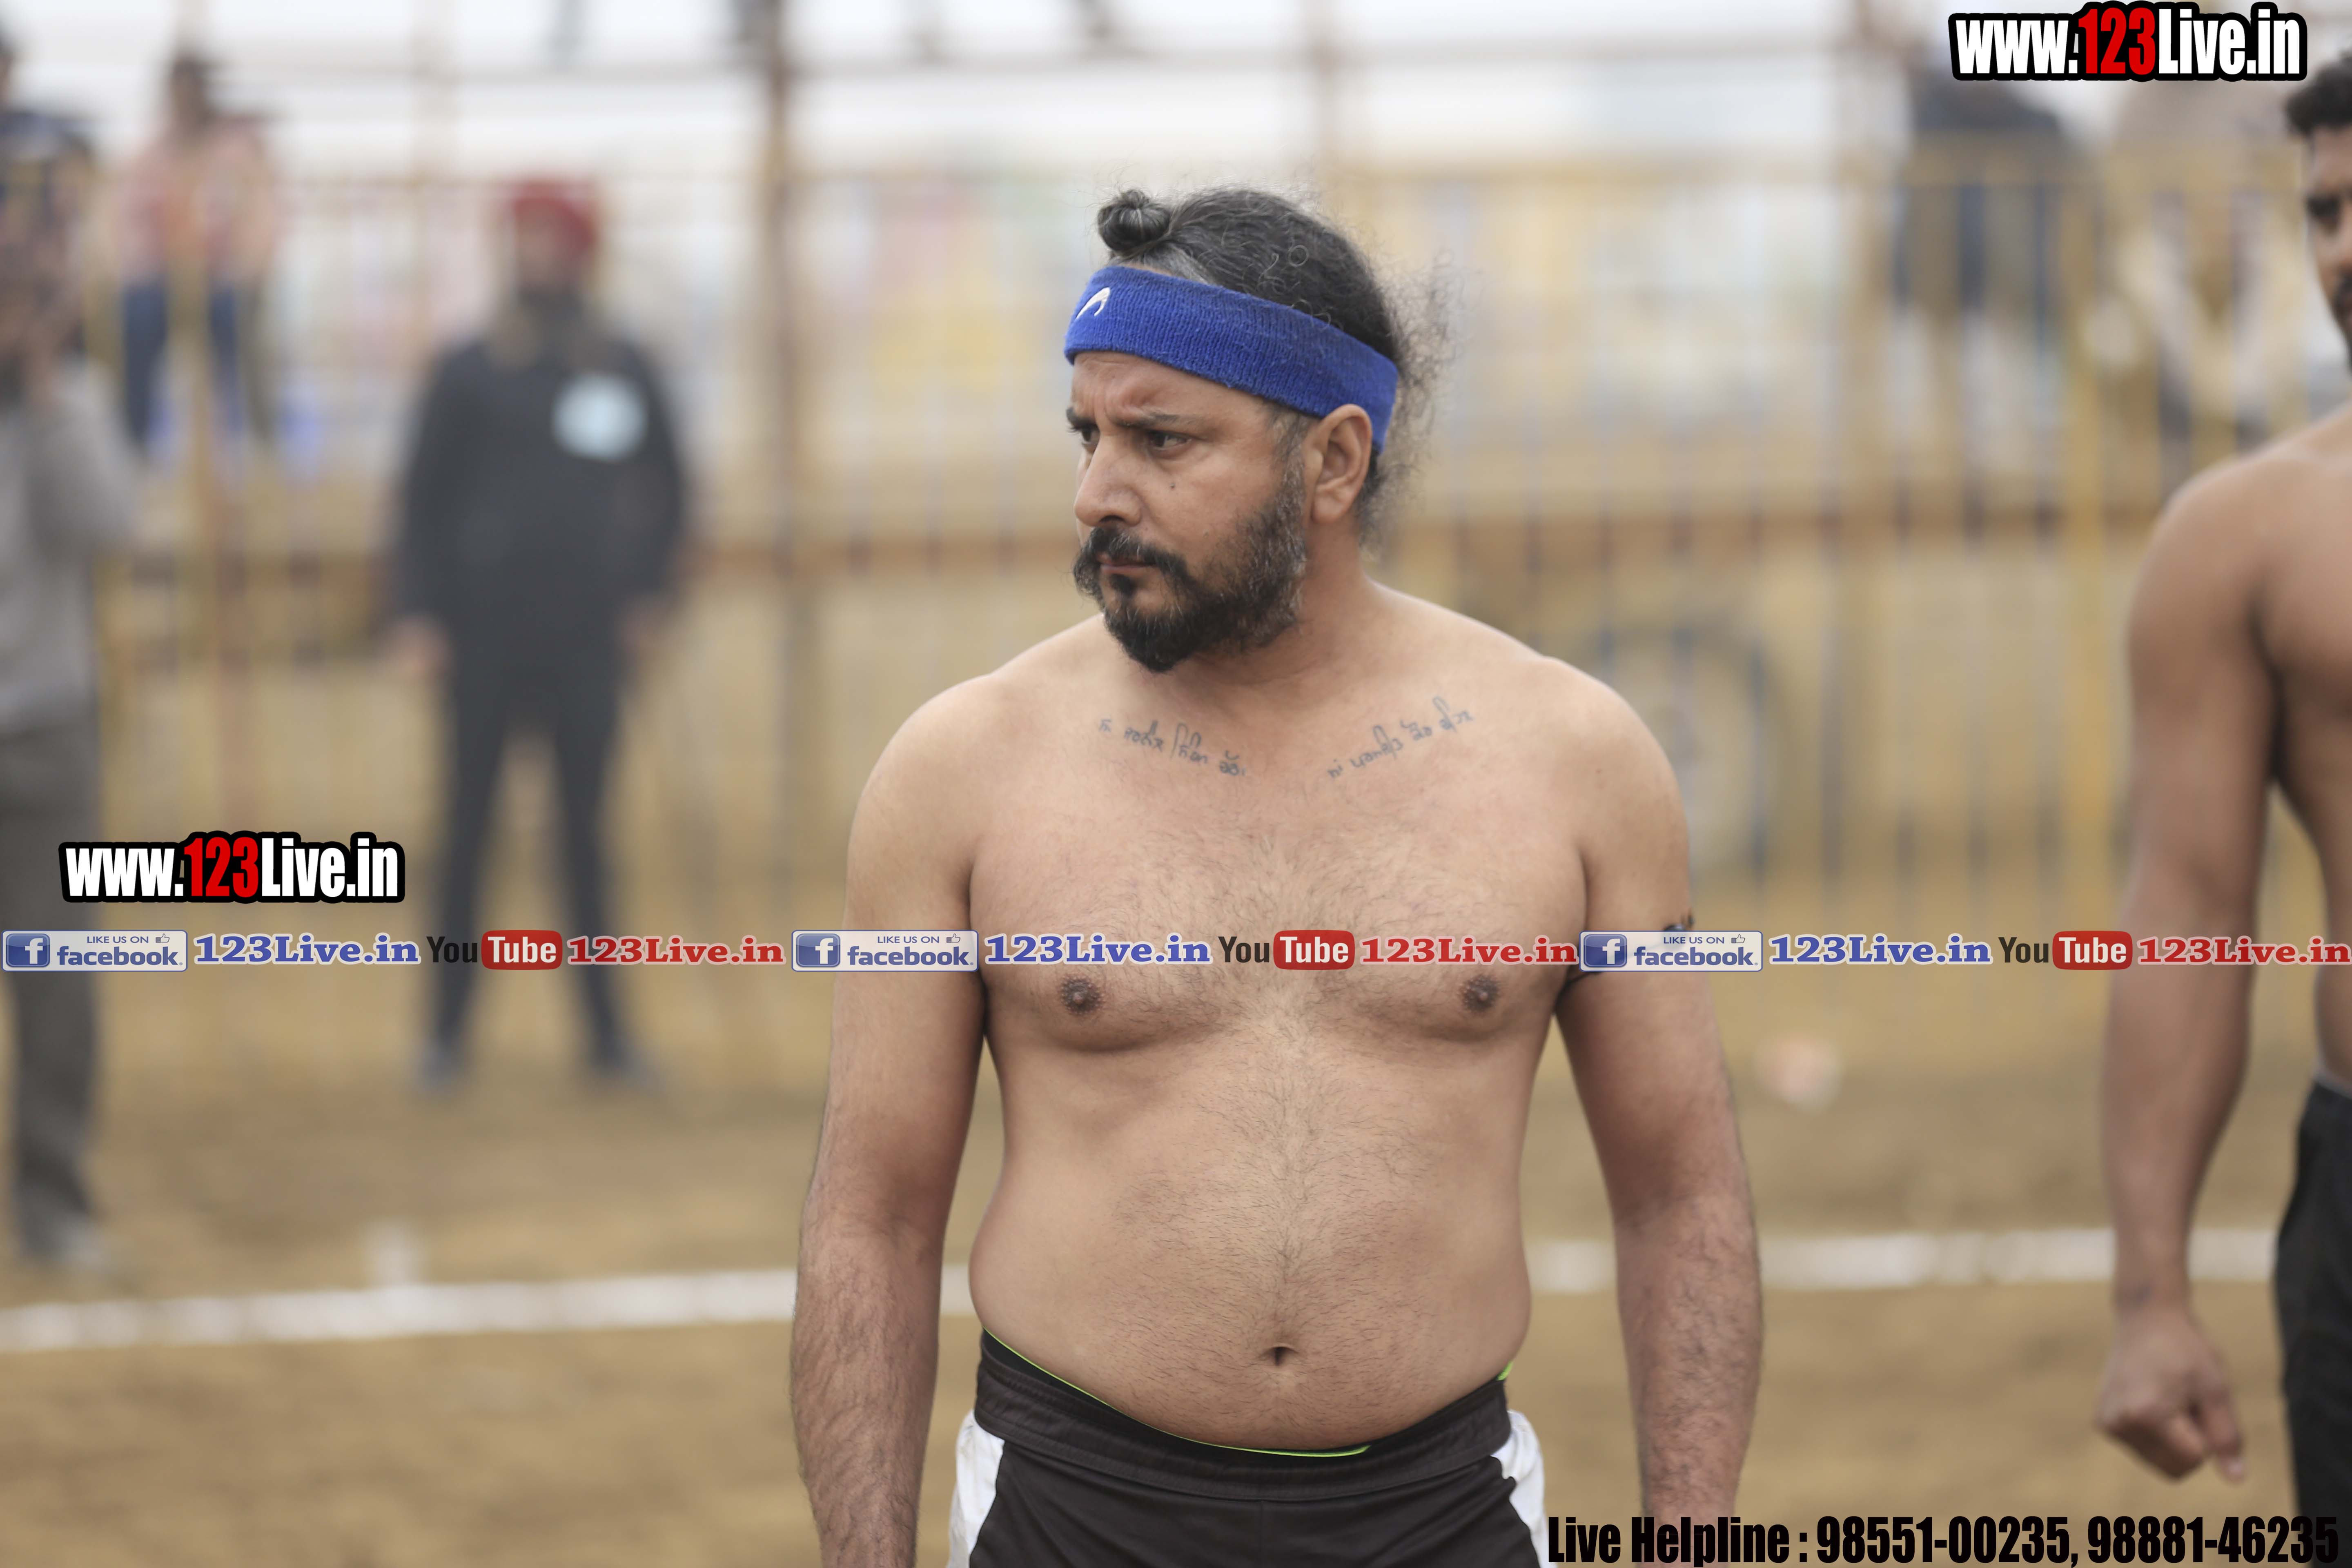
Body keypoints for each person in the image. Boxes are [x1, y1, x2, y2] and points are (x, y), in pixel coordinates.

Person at [792, 187, 1761, 1566]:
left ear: (1334, 461)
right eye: (1087, 435)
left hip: (1442, 1515)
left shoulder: (1571, 759)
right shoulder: (963, 768)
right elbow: (872, 1222)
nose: (1097, 494)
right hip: (1071, 1514)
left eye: (1162, 441)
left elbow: (1682, 1195)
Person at [2093, 58, 2352, 1517]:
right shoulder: (2245, 538)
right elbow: (2185, 913)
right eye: (2323, 212)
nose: (2341, 250)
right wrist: (2149, 1294)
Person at [390, 179, 686, 1092]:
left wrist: (651, 595)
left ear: (582, 251)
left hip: (586, 637)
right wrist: (417, 614)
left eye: (550, 237)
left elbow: (672, 486)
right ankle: (445, 1036)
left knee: (584, 838)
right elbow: (419, 503)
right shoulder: (468, 368)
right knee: (466, 834)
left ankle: (607, 1038)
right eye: (522, 237)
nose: (535, 254)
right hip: (480, 636)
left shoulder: (619, 362)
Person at [0, 134, 140, 1271]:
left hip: (46, 724)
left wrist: (47, 393)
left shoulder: (71, 400)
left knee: (56, 981)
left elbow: (106, 525)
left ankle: (53, 1203)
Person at [111, 49, 277, 454]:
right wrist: (145, 267)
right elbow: (126, 219)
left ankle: (261, 449)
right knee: (135, 321)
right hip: (164, 281)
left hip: (225, 282)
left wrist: (242, 271)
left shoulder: (237, 152)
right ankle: (134, 447)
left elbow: (263, 220)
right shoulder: (153, 152)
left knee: (241, 329)